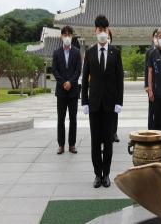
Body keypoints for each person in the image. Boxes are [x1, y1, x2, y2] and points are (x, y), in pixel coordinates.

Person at [81, 15, 124, 188]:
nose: (102, 33)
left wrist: (119, 101)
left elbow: (119, 79)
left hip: (110, 104)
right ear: (95, 31)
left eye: (105, 30)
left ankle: (106, 174)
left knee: (108, 141)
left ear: (108, 30)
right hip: (94, 104)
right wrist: (84, 101)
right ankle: (97, 175)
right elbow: (85, 79)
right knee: (94, 141)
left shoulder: (116, 52)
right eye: (99, 30)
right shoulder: (90, 53)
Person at [52, 26, 82, 155]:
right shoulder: (56, 52)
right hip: (61, 90)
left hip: (73, 90)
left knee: (73, 119)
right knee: (61, 119)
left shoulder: (76, 52)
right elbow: (55, 70)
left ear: (72, 36)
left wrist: (70, 82)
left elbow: (78, 70)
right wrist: (63, 82)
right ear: (61, 36)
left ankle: (72, 144)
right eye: (65, 34)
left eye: (69, 34)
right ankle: (61, 145)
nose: (67, 36)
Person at [144, 29, 158, 129]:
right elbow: (146, 69)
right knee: (152, 110)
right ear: (153, 38)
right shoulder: (149, 52)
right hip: (152, 86)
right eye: (156, 36)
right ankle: (151, 131)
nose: (158, 38)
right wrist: (147, 86)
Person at [108, 29, 120, 143]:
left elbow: (119, 73)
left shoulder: (115, 52)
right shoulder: (93, 51)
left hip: (113, 89)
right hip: (101, 90)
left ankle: (114, 132)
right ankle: (105, 133)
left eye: (108, 36)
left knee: (114, 112)